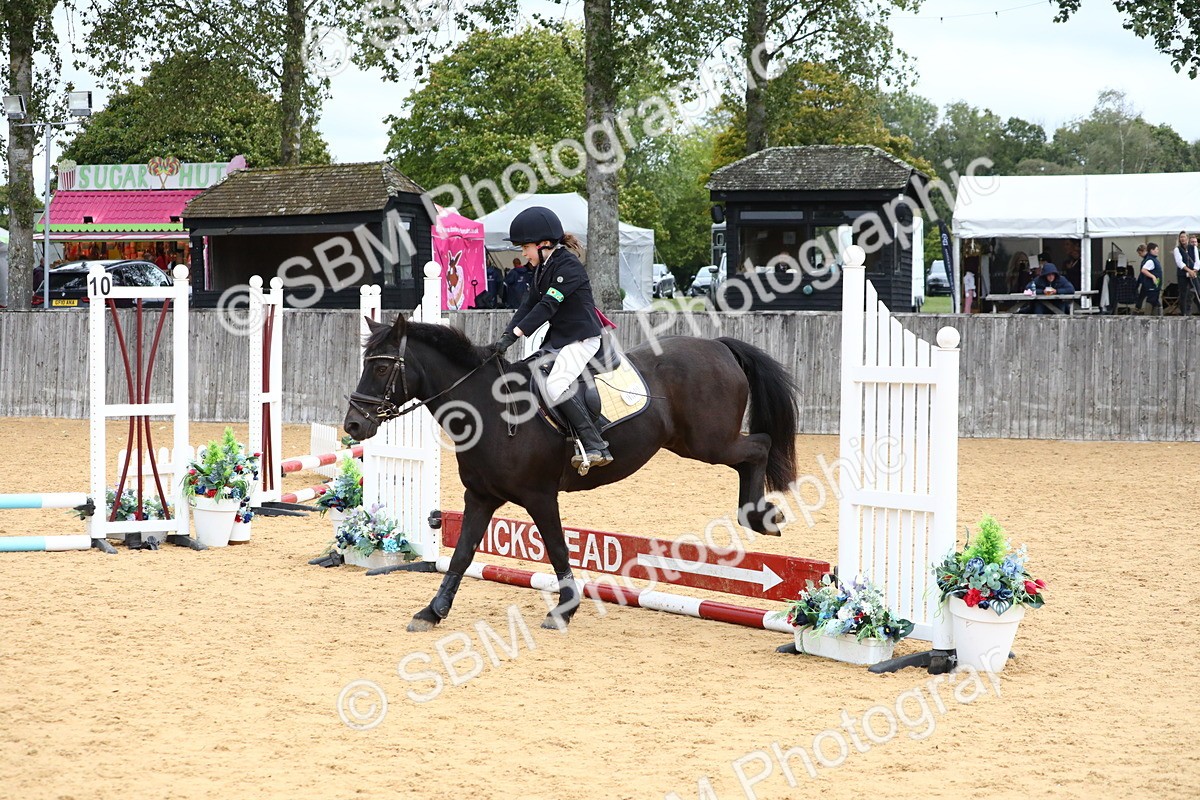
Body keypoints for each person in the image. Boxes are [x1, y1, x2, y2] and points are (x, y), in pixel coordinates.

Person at [488, 206, 612, 471]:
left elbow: (547, 306)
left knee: (555, 386)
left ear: (544, 244)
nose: (522, 253)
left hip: (582, 338)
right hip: (559, 339)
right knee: (526, 373)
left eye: (525, 247)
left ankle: (595, 444)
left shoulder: (568, 266)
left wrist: (518, 334)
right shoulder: (542, 268)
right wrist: (507, 336)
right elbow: (527, 305)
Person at [1173, 231, 1197, 316]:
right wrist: (1189, 270)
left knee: (1197, 290)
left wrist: (1194, 270)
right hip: (1183, 274)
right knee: (1183, 293)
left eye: (1184, 237)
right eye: (1181, 237)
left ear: (1187, 237)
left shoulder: (1193, 248)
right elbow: (1179, 263)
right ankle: (1183, 313)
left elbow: (1197, 260)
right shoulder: (1177, 249)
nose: (1182, 238)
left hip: (1193, 273)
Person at [1136, 243, 1163, 316]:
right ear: (1152, 250)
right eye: (1156, 249)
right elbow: (1143, 270)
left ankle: (1156, 315)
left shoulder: (1152, 260)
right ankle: (1149, 316)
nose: (1158, 251)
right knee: (1151, 300)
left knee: (1154, 301)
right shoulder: (1150, 260)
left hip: (1154, 286)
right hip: (1151, 286)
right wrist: (1153, 277)